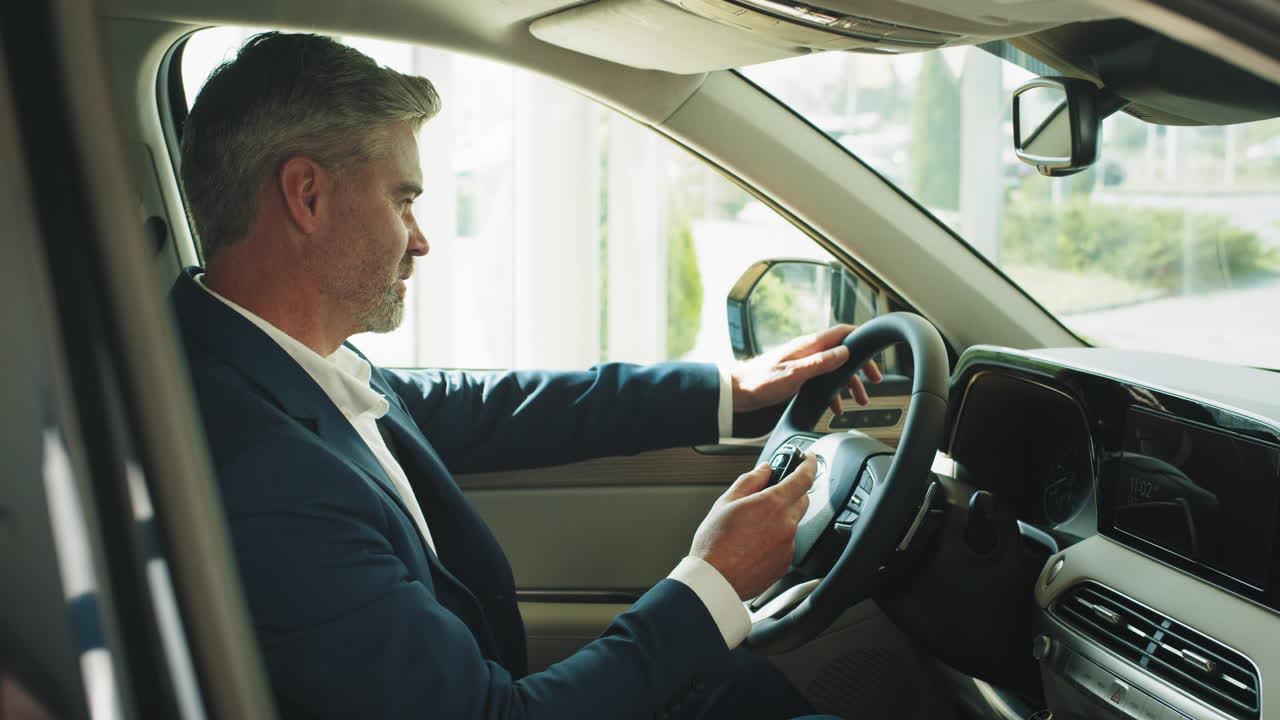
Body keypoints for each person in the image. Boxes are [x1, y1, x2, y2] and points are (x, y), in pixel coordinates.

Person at [172, 31, 880, 720]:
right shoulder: (265, 470)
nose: (420, 239)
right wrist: (713, 581)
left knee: (739, 686)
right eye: (402, 200)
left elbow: (496, 407)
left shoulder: (287, 368)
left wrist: (734, 391)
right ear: (307, 196)